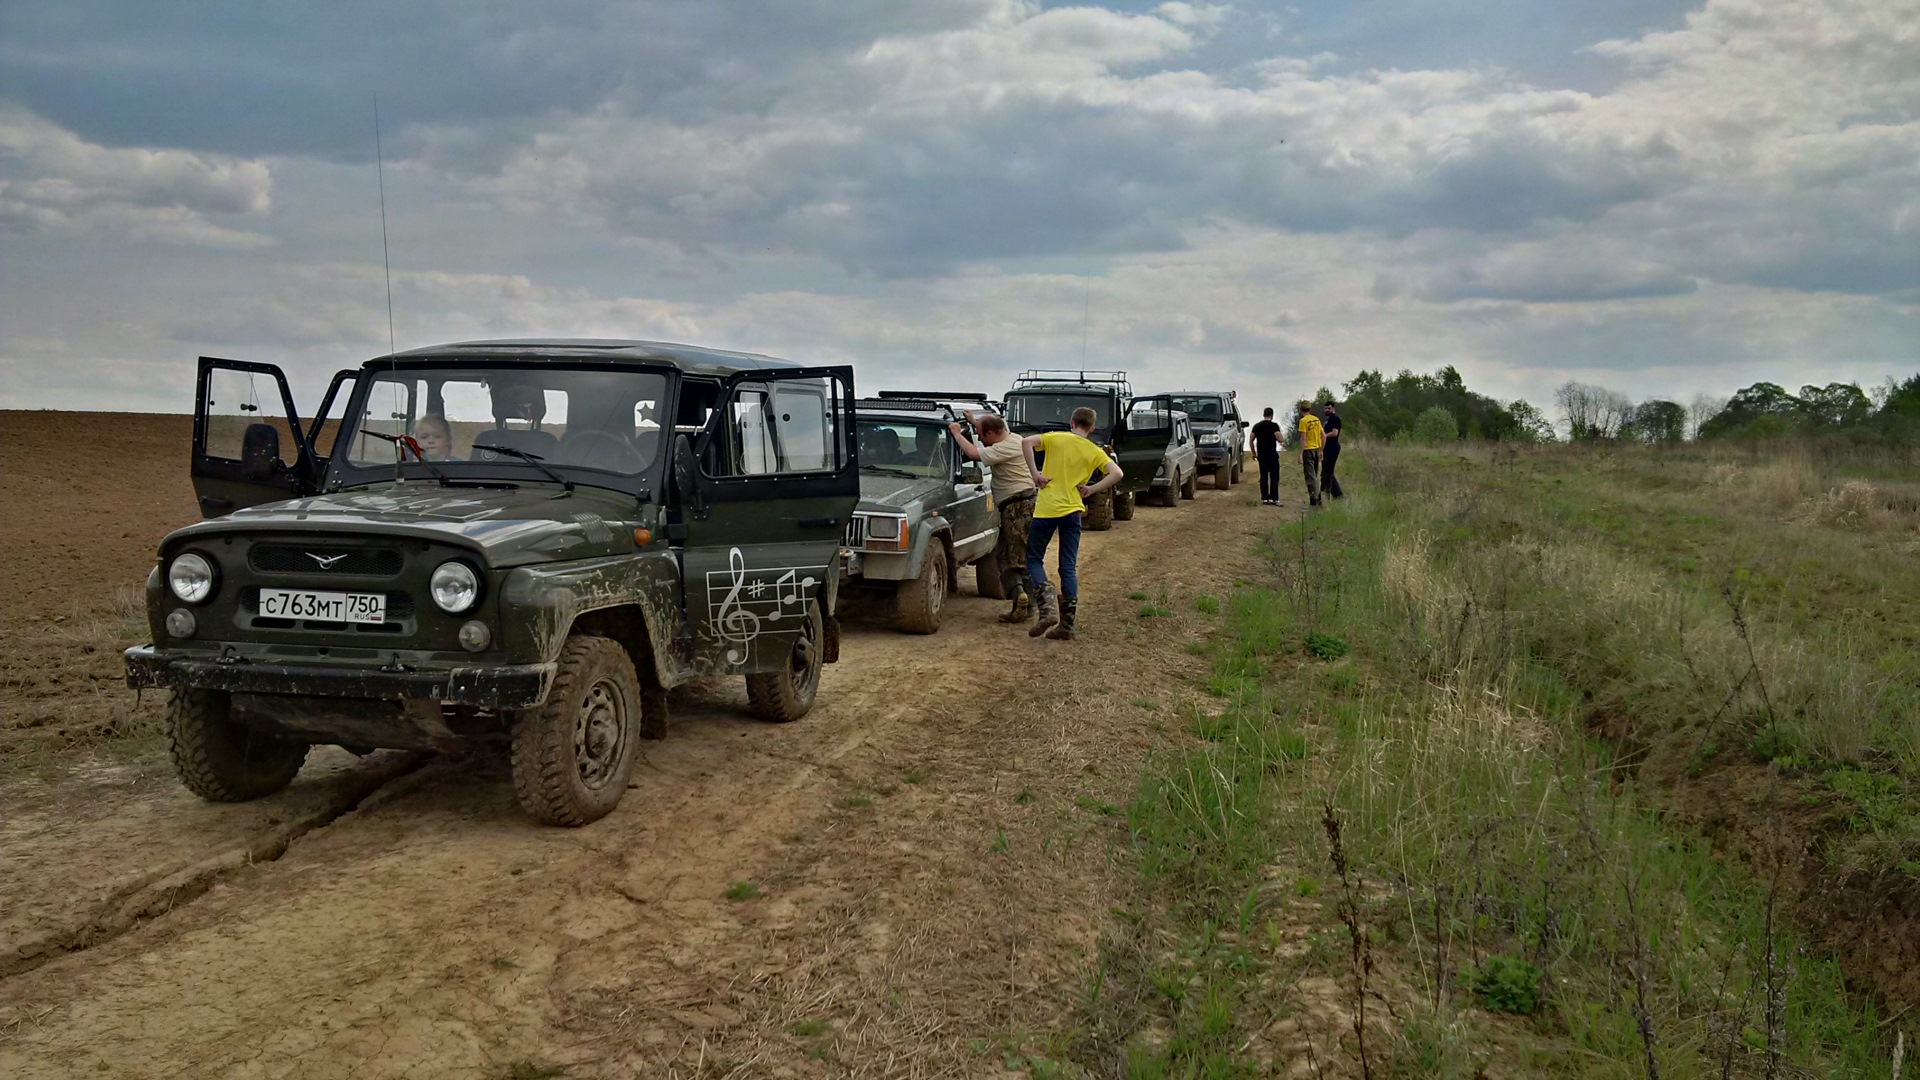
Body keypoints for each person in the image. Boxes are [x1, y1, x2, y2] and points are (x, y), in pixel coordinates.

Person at [1021, 408, 1125, 640]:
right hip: (1073, 510)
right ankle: (1066, 626)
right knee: (1067, 566)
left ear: (1071, 422)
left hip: (1047, 508)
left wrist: (1035, 474)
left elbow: (1026, 442)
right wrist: (1091, 489)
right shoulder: (1094, 450)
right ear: (1092, 428)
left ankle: (1047, 607)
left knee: (1034, 558)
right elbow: (1117, 473)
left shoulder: (1056, 437)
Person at [950, 410, 1039, 623]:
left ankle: (1021, 597)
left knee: (1012, 557)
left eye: (981, 434)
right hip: (1024, 503)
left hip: (1016, 506)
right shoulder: (1014, 438)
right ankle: (1026, 603)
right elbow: (998, 427)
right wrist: (974, 421)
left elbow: (973, 454)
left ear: (991, 433)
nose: (979, 438)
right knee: (1013, 554)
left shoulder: (1001, 449)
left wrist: (956, 433)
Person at [1250, 407, 1283, 506]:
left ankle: (1265, 498)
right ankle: (1274, 498)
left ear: (1263, 415)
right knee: (1274, 477)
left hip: (1262, 455)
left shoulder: (1257, 426)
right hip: (1272, 454)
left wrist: (1253, 453)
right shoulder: (1274, 426)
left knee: (1263, 476)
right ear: (1272, 416)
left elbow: (1251, 440)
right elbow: (1281, 439)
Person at [1296, 400, 1324, 507]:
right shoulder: (1316, 419)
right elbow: (1323, 435)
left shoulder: (1303, 421)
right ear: (1310, 408)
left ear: (1301, 409)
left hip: (1308, 450)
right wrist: (1321, 450)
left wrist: (1300, 454)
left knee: (1310, 477)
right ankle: (1318, 498)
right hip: (1316, 449)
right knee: (1315, 475)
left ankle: (1314, 499)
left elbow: (1303, 438)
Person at [1320, 402, 1343, 499]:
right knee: (1326, 471)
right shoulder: (1328, 419)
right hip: (1327, 447)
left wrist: (1324, 436)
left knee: (1328, 472)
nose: (1326, 410)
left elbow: (1335, 433)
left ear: (1333, 408)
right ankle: (1334, 494)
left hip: (1333, 447)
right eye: (1325, 408)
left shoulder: (1335, 418)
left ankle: (1335, 494)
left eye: (1328, 408)